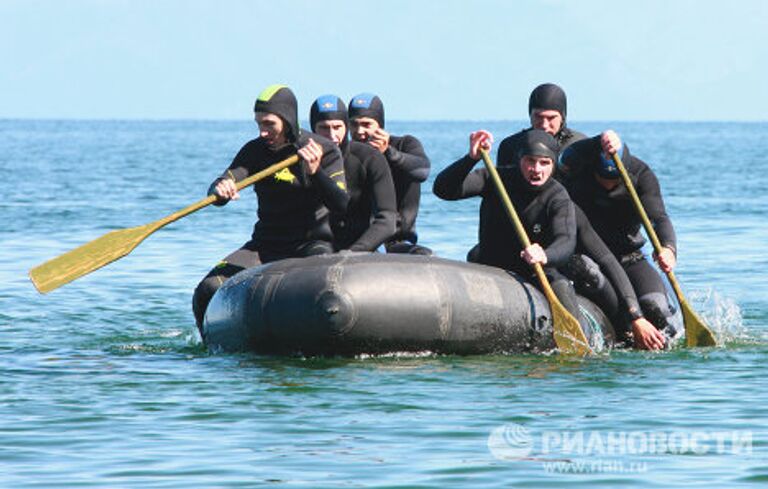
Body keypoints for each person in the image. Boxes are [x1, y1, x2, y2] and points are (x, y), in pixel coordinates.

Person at [192, 85, 348, 332]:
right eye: (258, 124)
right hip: (265, 245)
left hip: (311, 245)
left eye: (269, 124)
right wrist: (219, 189)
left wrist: (316, 172)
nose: (263, 132)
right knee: (207, 288)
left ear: (286, 120)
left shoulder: (323, 149)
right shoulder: (255, 150)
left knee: (320, 292)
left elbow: (341, 203)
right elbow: (223, 183)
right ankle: (211, 350)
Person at [433, 128, 589, 338]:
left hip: (533, 270)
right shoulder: (495, 178)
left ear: (553, 164)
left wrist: (545, 255)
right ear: (519, 160)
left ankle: (576, 337)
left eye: (545, 163)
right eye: (530, 161)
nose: (536, 169)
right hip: (491, 264)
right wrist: (470, 159)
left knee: (560, 283)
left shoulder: (557, 196)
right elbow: (443, 190)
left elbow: (566, 241)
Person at [558, 132, 680, 344]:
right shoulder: (580, 168)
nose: (608, 186)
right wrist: (599, 140)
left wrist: (668, 248)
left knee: (657, 309)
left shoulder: (641, 174)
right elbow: (566, 157)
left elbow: (658, 217)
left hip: (629, 257)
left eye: (614, 181)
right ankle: (625, 327)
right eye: (602, 179)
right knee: (588, 272)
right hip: (589, 257)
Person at [309, 94, 397, 251]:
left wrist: (353, 253)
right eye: (324, 127)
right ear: (313, 129)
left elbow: (387, 220)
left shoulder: (369, 158)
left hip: (359, 248)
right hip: (313, 248)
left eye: (337, 127)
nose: (331, 136)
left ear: (346, 127)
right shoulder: (300, 159)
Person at [348, 93, 432, 255]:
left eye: (366, 124)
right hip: (360, 240)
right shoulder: (347, 153)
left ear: (380, 125)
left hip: (397, 240)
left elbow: (423, 171)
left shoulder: (405, 144)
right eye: (354, 124)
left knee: (425, 254)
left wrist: (389, 153)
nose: (359, 131)